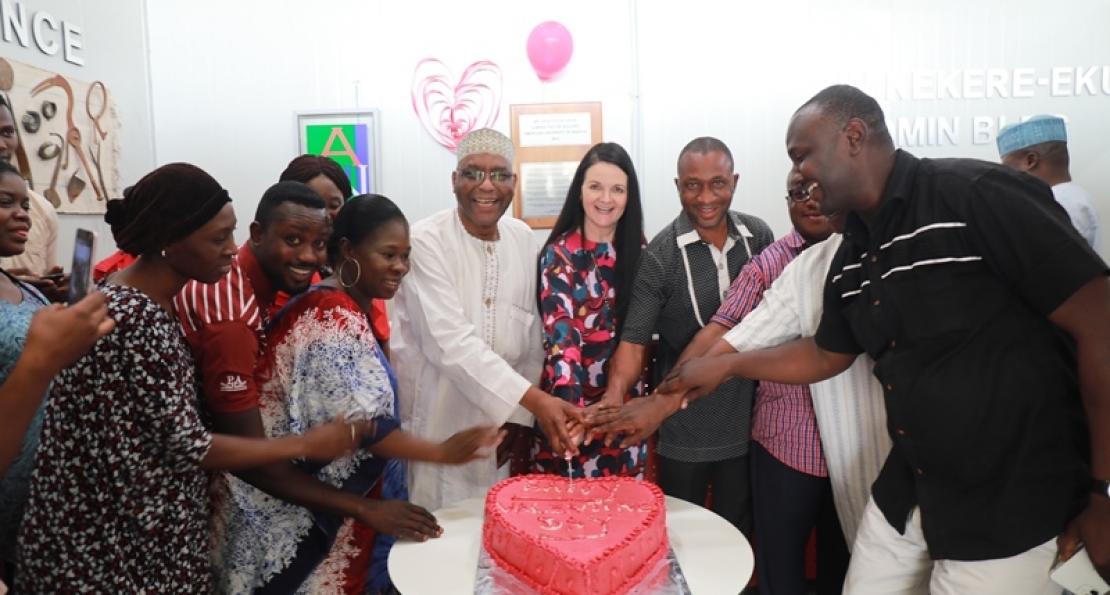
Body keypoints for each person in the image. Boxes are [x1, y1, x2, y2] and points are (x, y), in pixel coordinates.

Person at [615, 85, 1110, 594]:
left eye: (802, 156)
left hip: (1010, 498)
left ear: (854, 137)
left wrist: (1102, 491)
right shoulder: (851, 253)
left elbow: (1100, 326)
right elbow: (826, 352)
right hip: (911, 489)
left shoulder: (977, 194)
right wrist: (724, 368)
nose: (800, 175)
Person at [16, 163, 368, 593]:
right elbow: (186, 442)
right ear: (169, 241)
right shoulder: (138, 317)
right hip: (111, 548)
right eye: (218, 238)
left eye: (232, 234)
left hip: (125, 530)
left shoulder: (138, 298)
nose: (232, 250)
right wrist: (306, 444)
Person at [216, 194, 499, 594]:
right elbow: (361, 428)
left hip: (322, 509)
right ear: (348, 250)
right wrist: (441, 452)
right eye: (388, 254)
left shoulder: (341, 307)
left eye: (405, 255)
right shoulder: (332, 316)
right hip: (297, 519)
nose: (400, 267)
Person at [391, 127, 582, 511]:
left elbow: (532, 339)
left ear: (514, 183)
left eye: (498, 175)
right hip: (437, 424)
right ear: (454, 180)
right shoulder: (427, 240)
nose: (486, 186)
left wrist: (517, 418)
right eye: (473, 172)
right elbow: (449, 343)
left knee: (493, 541)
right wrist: (535, 403)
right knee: (435, 541)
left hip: (498, 433)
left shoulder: (523, 238)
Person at [678, 171, 847, 595]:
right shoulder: (770, 262)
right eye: (797, 193)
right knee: (780, 568)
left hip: (851, 445)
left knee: (845, 566)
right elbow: (723, 330)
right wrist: (669, 393)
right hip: (788, 446)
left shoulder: (863, 253)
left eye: (818, 190)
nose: (809, 201)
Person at [597, 136, 773, 536]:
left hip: (748, 428)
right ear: (677, 186)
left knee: (738, 539)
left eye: (717, 183)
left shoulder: (757, 237)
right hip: (683, 429)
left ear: (735, 182)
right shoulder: (661, 255)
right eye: (692, 184)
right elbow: (634, 340)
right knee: (683, 541)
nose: (706, 197)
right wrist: (615, 391)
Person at [0, 161, 114, 584]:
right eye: (5, 202)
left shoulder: (23, 284)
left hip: (44, 506)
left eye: (24, 202)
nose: (23, 213)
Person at [533, 142, 646, 478]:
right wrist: (572, 414)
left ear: (629, 197)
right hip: (569, 412)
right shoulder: (559, 255)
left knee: (624, 520)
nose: (605, 199)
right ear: (579, 191)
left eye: (617, 189)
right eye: (595, 186)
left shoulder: (641, 252)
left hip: (620, 412)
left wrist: (617, 402)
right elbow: (562, 337)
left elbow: (638, 336)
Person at [279, 154, 392, 356]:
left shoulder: (359, 262)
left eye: (334, 205)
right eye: (314, 205)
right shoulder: (282, 266)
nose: (325, 215)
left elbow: (382, 339)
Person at [997, 115, 1100, 251]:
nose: (1007, 174)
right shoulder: (1074, 197)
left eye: (1008, 166)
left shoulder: (1056, 204)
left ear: (1030, 161)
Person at [0, 96, 62, 300]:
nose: (2, 145)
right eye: (5, 203)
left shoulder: (41, 210)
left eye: (7, 133)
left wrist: (44, 292)